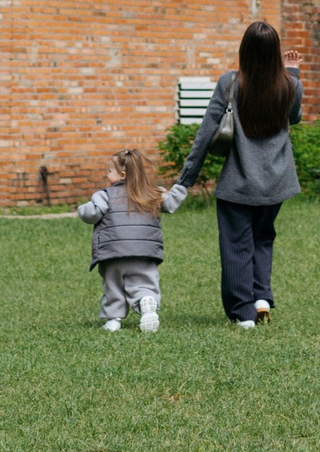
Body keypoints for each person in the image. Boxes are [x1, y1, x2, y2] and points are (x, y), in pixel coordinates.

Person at [169, 20, 303, 328]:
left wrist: (184, 182)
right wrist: (293, 72)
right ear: (275, 52)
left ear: (244, 50)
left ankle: (243, 312)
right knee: (262, 239)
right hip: (276, 181)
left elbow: (205, 135)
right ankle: (261, 297)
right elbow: (294, 117)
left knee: (236, 245)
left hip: (238, 183)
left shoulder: (230, 83)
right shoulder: (289, 83)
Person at [78, 146, 176, 332]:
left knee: (113, 285)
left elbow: (92, 213)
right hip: (145, 252)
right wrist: (180, 189)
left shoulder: (104, 195)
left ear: (122, 175)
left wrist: (81, 209)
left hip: (114, 253)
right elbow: (171, 204)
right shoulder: (152, 193)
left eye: (109, 171)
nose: (107, 176)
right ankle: (146, 303)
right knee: (145, 281)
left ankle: (113, 320)